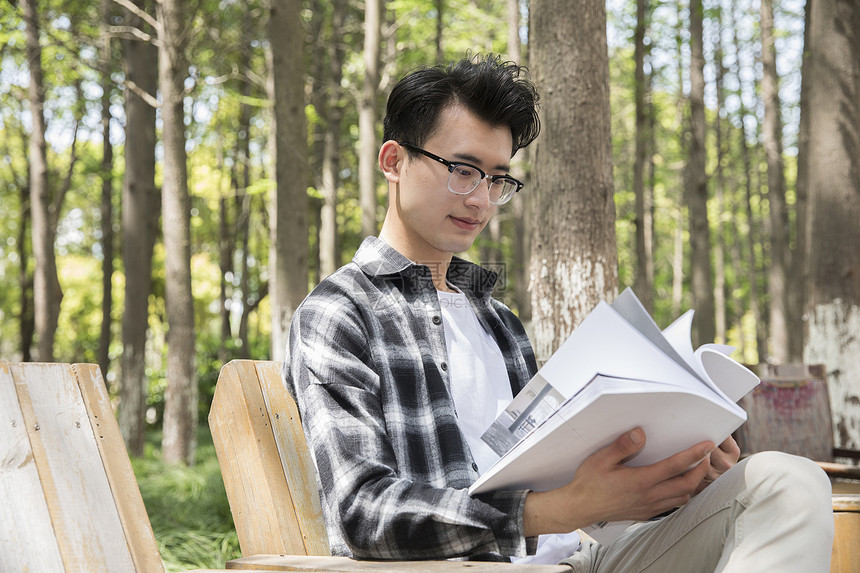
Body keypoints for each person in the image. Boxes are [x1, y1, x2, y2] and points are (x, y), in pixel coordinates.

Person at [283, 54, 834, 571]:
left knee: (785, 482)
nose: (480, 198)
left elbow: (578, 495)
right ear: (394, 161)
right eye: (462, 169)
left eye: (498, 178)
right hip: (464, 567)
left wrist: (675, 476)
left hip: (582, 558)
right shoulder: (342, 313)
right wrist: (548, 511)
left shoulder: (499, 324)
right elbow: (362, 510)